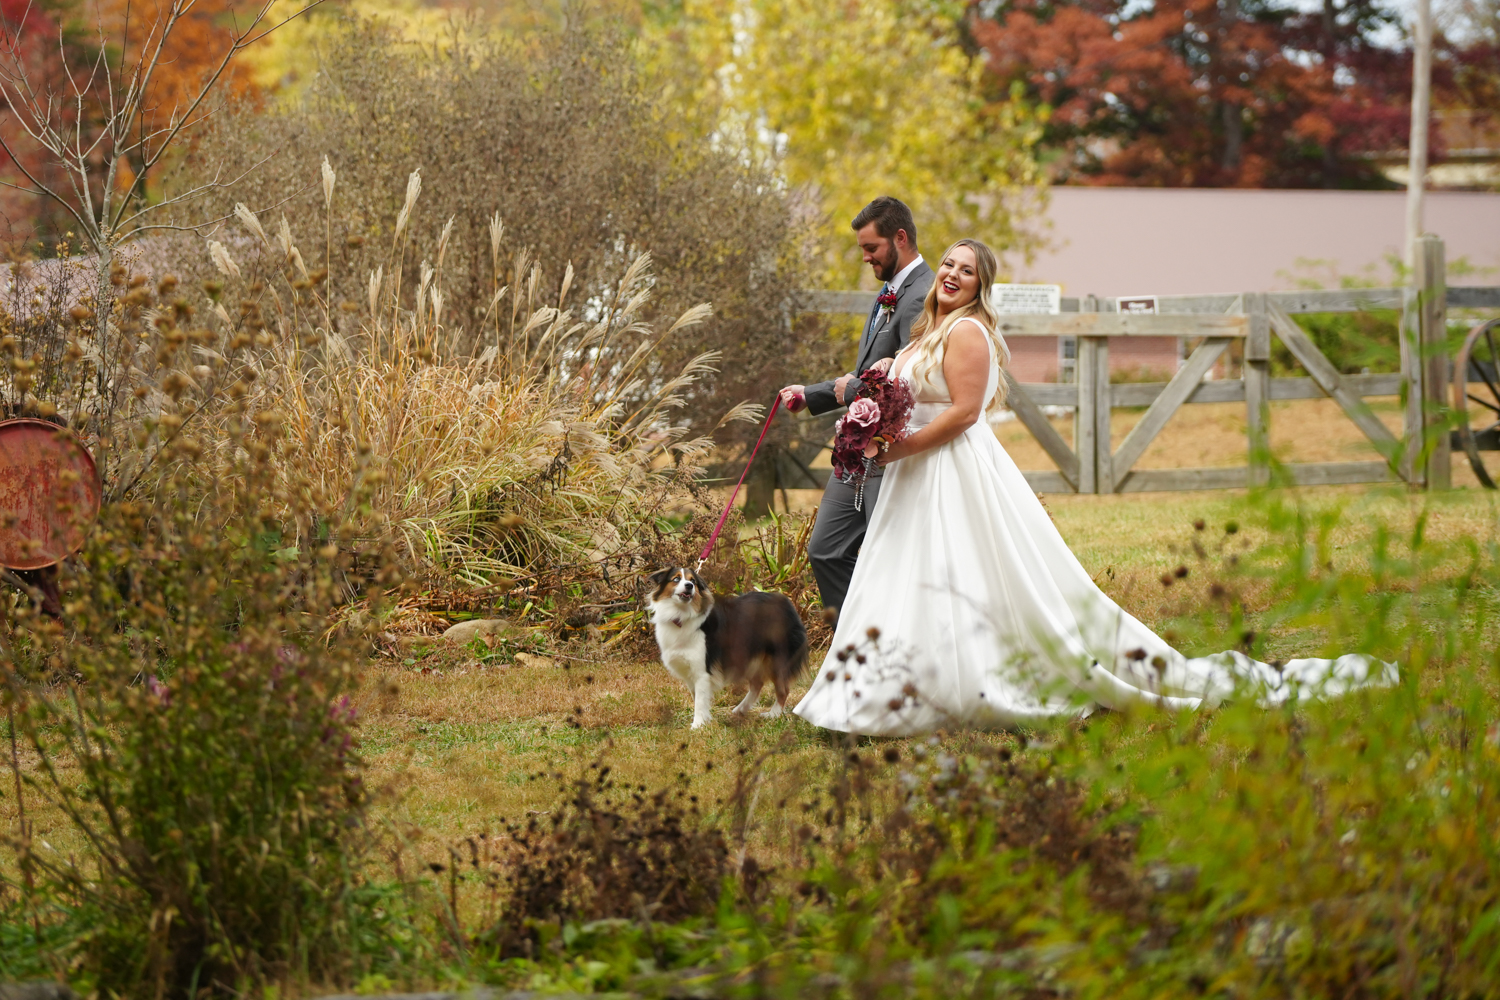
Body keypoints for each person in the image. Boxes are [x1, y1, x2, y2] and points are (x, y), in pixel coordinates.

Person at [793, 238, 1395, 736]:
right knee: (902, 575)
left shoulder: (968, 333)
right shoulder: (927, 331)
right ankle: (885, 687)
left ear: (981, 286)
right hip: (910, 477)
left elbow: (963, 414)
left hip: (948, 469)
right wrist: (865, 424)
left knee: (965, 572)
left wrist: (895, 447)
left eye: (966, 271)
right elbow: (893, 394)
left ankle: (963, 685)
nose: (952, 274)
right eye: (948, 265)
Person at [779, 196, 933, 616]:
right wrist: (810, 395)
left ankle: (879, 650)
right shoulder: (888, 292)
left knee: (890, 556)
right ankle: (853, 650)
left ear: (900, 238)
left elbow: (904, 387)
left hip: (891, 451)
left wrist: (851, 392)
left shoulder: (921, 296)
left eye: (871, 248)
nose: (865, 258)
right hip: (858, 451)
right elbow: (867, 374)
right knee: (826, 550)